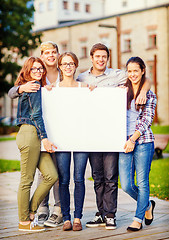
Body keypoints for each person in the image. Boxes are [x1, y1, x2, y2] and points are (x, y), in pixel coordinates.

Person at [77, 43, 150, 230]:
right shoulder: (82, 77)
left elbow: (142, 78)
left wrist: (142, 91)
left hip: (115, 136)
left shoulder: (118, 75)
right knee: (98, 176)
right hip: (93, 135)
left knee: (111, 176)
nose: (101, 59)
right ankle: (101, 213)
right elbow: (70, 91)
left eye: (104, 56)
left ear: (107, 58)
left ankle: (111, 215)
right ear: (91, 58)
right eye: (97, 56)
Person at [8, 41, 63, 228]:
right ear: (28, 71)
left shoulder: (36, 86)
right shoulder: (31, 87)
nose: (39, 71)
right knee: (27, 179)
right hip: (30, 134)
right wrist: (45, 139)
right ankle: (24, 221)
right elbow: (36, 115)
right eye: (35, 69)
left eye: (41, 69)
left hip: (35, 135)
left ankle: (31, 210)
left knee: (51, 175)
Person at [118, 56, 156, 231]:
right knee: (126, 184)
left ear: (142, 71)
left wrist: (133, 138)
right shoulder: (121, 91)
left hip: (143, 141)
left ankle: (138, 218)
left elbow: (147, 119)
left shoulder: (149, 94)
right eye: (130, 71)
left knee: (142, 182)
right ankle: (147, 205)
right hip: (124, 142)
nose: (132, 74)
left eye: (136, 70)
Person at [55, 52, 90, 231]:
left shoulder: (84, 87)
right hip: (61, 140)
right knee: (63, 179)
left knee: (79, 179)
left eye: (71, 64)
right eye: (64, 64)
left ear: (76, 66)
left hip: (81, 139)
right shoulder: (52, 89)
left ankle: (77, 218)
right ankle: (66, 218)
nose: (68, 67)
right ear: (60, 67)